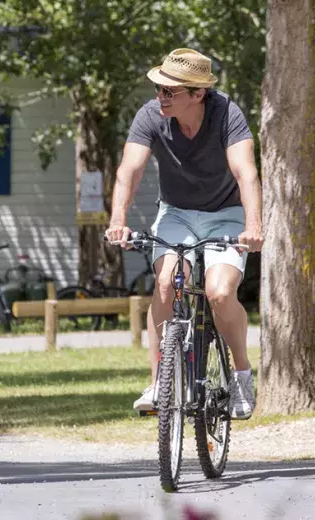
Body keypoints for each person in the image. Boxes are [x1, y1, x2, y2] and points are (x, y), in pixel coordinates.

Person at [104, 48, 263, 419]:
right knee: (165, 283)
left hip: (226, 214)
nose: (160, 96)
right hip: (176, 212)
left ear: (197, 94)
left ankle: (240, 374)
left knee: (220, 293)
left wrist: (253, 226)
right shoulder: (150, 116)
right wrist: (118, 220)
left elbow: (246, 173)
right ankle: (159, 381)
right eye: (159, 88)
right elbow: (129, 171)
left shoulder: (227, 115)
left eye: (169, 91)